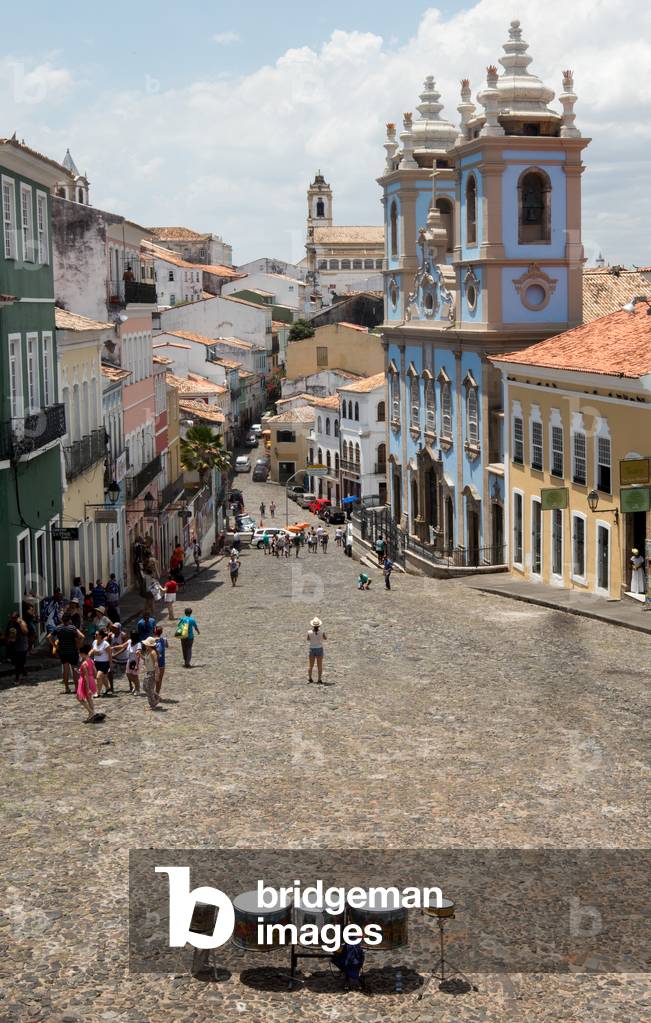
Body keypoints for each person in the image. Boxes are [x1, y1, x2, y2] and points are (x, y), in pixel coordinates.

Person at [55, 613, 84, 694]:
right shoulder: (72, 628)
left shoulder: (58, 628)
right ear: (69, 620)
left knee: (65, 670)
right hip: (73, 652)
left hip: (63, 651)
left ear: (62, 620)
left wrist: (55, 646)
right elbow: (82, 636)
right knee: (75, 669)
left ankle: (67, 688)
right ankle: (77, 688)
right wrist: (79, 645)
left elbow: (49, 636)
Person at [77, 644, 104, 723]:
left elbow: (85, 677)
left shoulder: (84, 663)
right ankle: (92, 714)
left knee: (79, 698)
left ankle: (91, 712)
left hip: (85, 682)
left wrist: (88, 688)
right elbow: (95, 672)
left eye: (80, 653)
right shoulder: (91, 661)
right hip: (91, 679)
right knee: (89, 698)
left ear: (82, 654)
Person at [7, 612, 29, 684]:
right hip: (13, 645)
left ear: (18, 618)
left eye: (14, 618)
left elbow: (25, 632)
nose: (12, 619)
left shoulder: (22, 623)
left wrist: (20, 624)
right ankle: (24, 672)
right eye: (11, 618)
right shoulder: (10, 623)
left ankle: (17, 679)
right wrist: (8, 639)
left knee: (18, 663)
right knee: (16, 662)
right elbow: (7, 632)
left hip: (22, 646)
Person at [90, 629, 112, 697]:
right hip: (96, 662)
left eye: (96, 634)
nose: (95, 635)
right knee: (103, 677)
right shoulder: (94, 642)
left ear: (101, 636)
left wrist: (110, 665)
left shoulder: (105, 644)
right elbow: (93, 649)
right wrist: (90, 653)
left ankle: (97, 692)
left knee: (98, 677)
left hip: (104, 663)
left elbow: (110, 655)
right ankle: (108, 688)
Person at [141, 637, 161, 710]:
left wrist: (157, 674)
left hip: (152, 672)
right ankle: (156, 697)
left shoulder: (153, 652)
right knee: (145, 687)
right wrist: (140, 655)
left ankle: (153, 704)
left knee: (149, 688)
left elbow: (156, 663)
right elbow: (146, 660)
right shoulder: (148, 651)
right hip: (148, 672)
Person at [307, 616, 327, 684]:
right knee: (319, 665)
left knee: (310, 665)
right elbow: (325, 638)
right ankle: (319, 679)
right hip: (319, 649)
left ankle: (310, 678)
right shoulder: (322, 632)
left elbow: (308, 639)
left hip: (312, 649)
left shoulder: (309, 632)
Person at [154, 625, 168, 696]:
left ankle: (153, 693)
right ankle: (157, 693)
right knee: (159, 679)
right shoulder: (164, 639)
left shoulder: (151, 640)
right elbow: (167, 646)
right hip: (161, 663)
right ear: (161, 632)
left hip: (153, 662)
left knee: (153, 679)